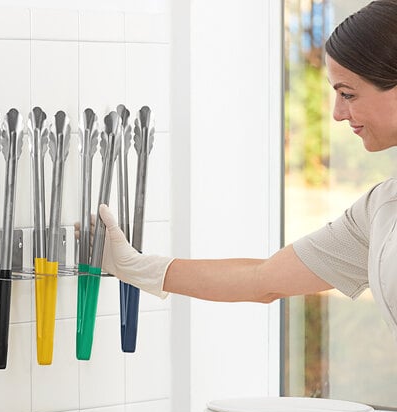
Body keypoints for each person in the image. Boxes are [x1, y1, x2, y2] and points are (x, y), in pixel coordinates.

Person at [98, 0, 397, 338]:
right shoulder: (382, 210)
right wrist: (136, 266)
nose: (337, 113)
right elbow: (263, 280)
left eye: (348, 94)